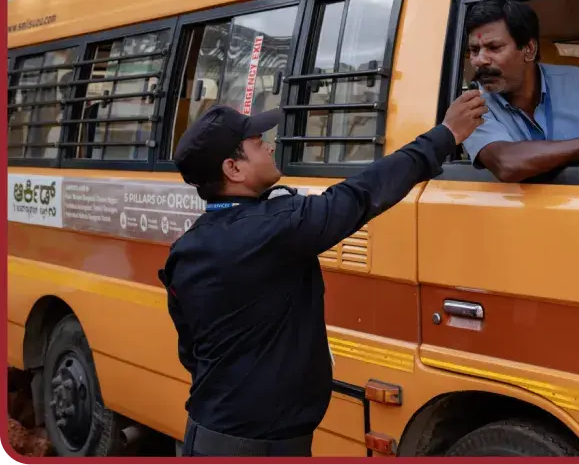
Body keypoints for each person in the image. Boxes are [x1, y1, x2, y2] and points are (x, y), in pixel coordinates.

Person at [158, 91, 486, 457]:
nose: (269, 148)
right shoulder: (272, 230)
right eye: (257, 143)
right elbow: (361, 194)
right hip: (258, 449)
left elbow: (192, 352)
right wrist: (444, 135)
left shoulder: (187, 248)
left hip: (207, 435)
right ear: (233, 169)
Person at [462, 0, 579, 183]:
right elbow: (506, 164)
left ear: (529, 49)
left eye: (494, 48)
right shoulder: (472, 106)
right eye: (474, 50)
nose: (479, 60)